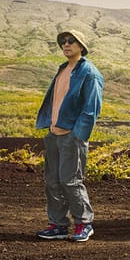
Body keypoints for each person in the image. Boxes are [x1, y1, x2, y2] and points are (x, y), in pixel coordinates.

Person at [34, 30, 104, 242]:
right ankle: (58, 226)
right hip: (54, 133)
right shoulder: (64, 69)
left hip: (72, 137)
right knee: (52, 182)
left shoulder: (89, 73)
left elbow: (91, 109)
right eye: (63, 42)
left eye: (71, 41)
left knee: (71, 181)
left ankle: (84, 224)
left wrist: (77, 135)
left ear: (81, 47)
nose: (66, 44)